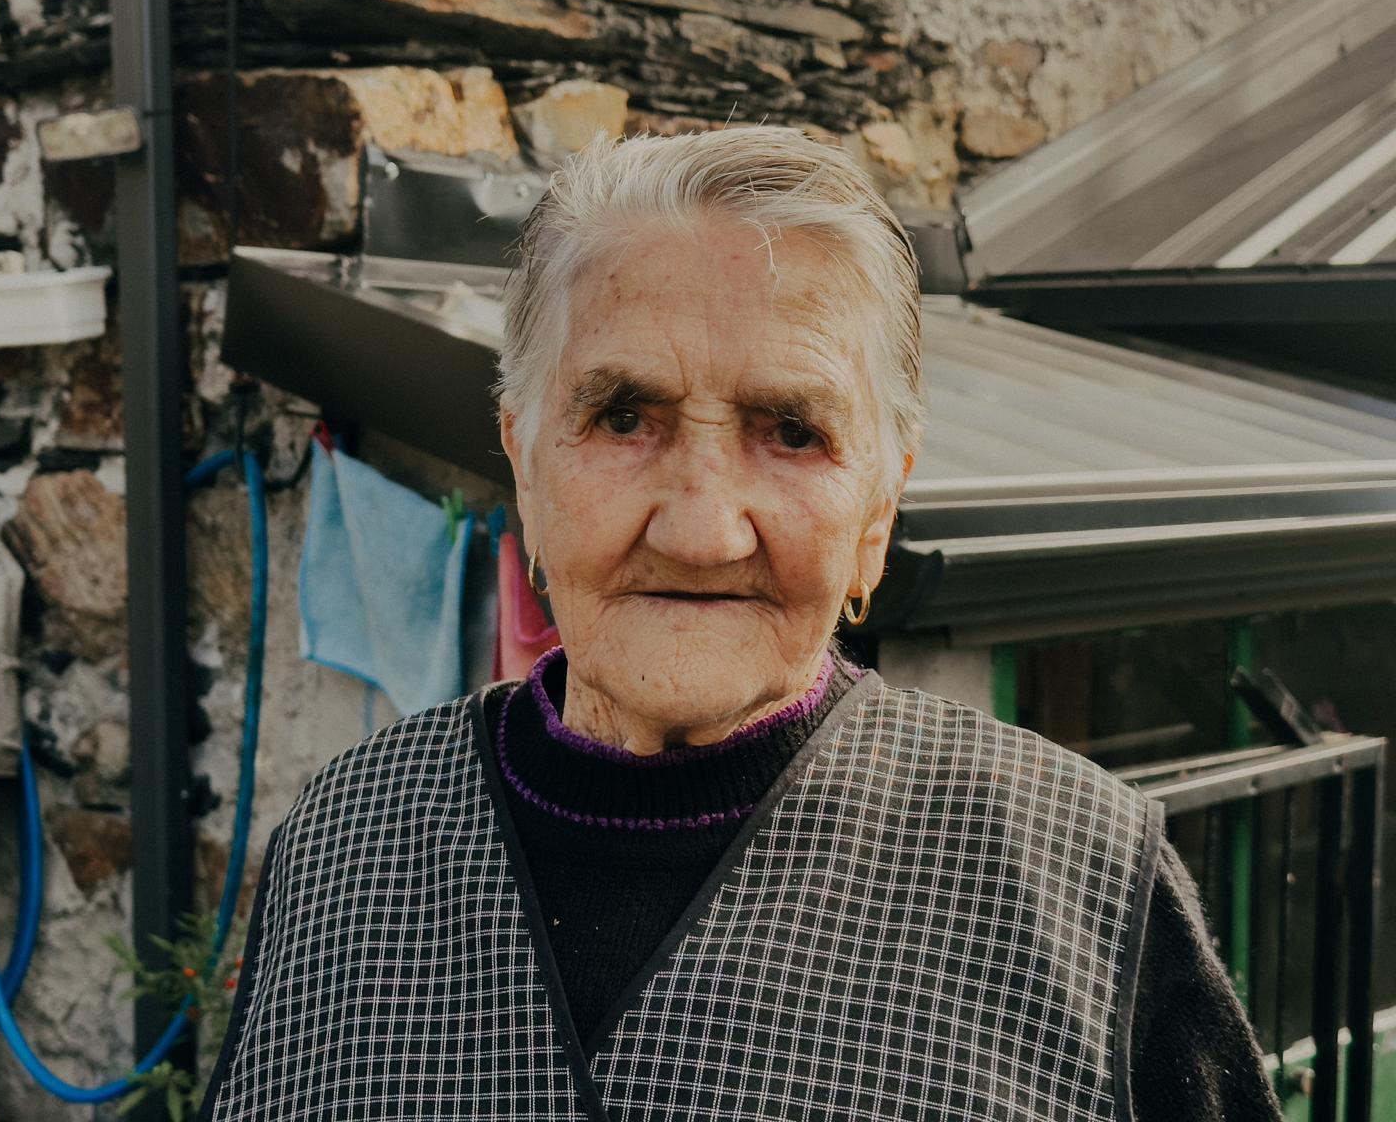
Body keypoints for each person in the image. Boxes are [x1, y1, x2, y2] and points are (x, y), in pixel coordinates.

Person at [199, 127, 1281, 1120]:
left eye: (792, 431)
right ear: (524, 465)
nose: (705, 530)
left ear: (877, 513)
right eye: (623, 416)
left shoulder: (1079, 878)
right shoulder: (342, 846)